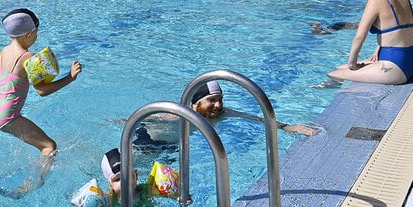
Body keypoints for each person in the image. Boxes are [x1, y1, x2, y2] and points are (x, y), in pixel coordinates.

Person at [0, 8, 82, 156]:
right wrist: (70, 77)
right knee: (49, 146)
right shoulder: (28, 57)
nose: (36, 36)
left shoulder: (4, 51)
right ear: (29, 35)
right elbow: (41, 91)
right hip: (6, 116)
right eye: (36, 33)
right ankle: (37, 180)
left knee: (1, 121)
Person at [135, 81, 317, 148]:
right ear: (196, 103)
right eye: (212, 100)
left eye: (220, 99)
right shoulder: (178, 115)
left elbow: (255, 118)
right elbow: (139, 119)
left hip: (173, 147)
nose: (218, 105)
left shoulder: (220, 113)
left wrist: (286, 126)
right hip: (149, 142)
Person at [328, 0, 413, 84]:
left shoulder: (376, 1)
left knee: (335, 74)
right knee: (340, 67)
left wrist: (352, 64)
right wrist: (378, 50)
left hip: (393, 67)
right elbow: (398, 30)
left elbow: (359, 37)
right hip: (410, 62)